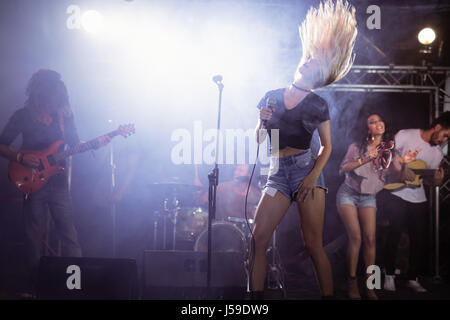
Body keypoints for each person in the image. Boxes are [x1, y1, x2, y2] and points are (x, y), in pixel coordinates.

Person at [249, 0, 357, 299]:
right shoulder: (270, 96)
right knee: (258, 240)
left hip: (306, 169)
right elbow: (261, 140)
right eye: (306, 58)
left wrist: (311, 178)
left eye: (312, 61)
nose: (306, 60)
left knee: (312, 244)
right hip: (277, 173)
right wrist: (261, 123)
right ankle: (254, 301)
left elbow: (327, 147)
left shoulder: (317, 104)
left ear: (318, 72)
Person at [0, 69, 110, 296]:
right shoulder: (22, 115)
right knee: (33, 237)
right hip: (32, 181)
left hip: (58, 183)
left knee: (69, 235)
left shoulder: (65, 115)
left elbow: (73, 142)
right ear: (40, 95)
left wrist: (93, 144)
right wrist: (20, 157)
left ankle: (74, 285)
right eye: (51, 97)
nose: (55, 102)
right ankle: (32, 288)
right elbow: (2, 145)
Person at [382, 111, 450, 293]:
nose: (444, 140)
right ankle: (388, 276)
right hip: (395, 192)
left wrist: (435, 182)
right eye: (445, 135)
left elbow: (428, 180)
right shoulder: (406, 134)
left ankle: (412, 277)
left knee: (419, 239)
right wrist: (398, 170)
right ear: (437, 127)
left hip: (418, 197)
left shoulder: (437, 154)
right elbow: (387, 157)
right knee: (394, 233)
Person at [336, 113, 396, 300]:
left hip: (369, 197)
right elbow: (342, 169)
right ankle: (351, 283)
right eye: (372, 122)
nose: (378, 123)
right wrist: (366, 158)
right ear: (367, 128)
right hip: (348, 194)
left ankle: (370, 286)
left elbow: (391, 179)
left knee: (370, 239)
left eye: (380, 120)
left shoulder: (390, 151)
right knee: (356, 238)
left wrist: (402, 168)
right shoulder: (356, 147)